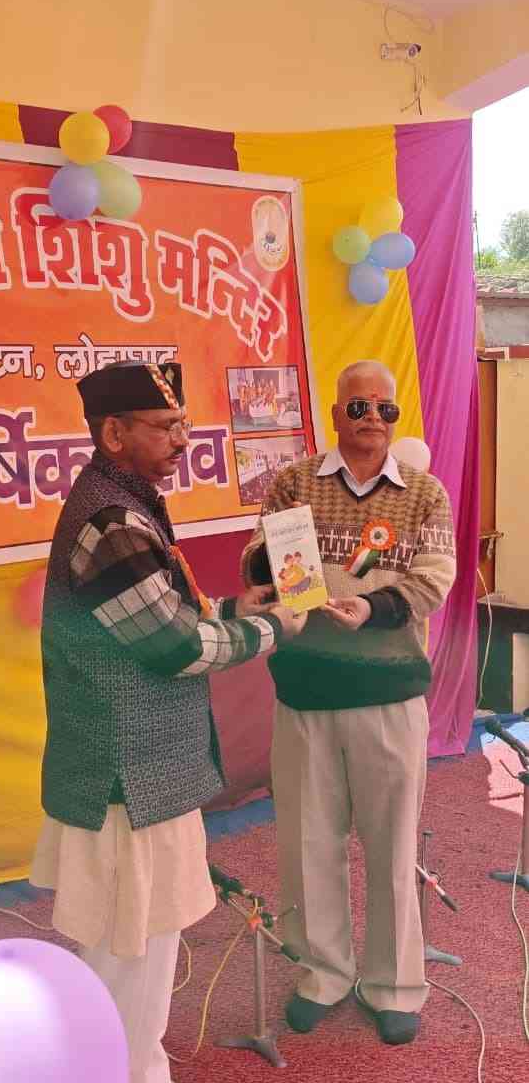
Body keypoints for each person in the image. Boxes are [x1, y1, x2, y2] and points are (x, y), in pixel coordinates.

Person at [30, 360, 306, 1083]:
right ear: (112, 434)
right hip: (129, 776)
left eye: (183, 423)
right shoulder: (110, 522)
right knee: (131, 951)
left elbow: (159, 616)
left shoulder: (125, 502)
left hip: (141, 772)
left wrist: (236, 611)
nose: (182, 440)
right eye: (163, 427)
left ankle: (123, 1063)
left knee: (136, 949)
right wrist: (272, 629)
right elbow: (175, 648)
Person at [241, 360, 456, 1046]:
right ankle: (322, 974)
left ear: (396, 417)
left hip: (388, 696)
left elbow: (435, 578)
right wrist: (276, 573)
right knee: (308, 842)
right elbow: (260, 556)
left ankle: (394, 986)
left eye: (384, 409)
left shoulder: (424, 493)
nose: (371, 419)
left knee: (392, 848)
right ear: (336, 414)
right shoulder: (293, 482)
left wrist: (369, 606)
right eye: (357, 407)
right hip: (306, 692)